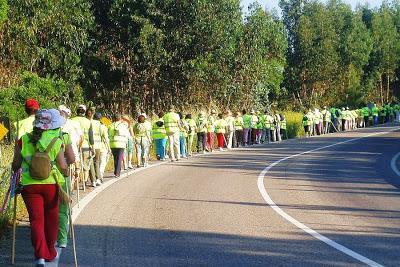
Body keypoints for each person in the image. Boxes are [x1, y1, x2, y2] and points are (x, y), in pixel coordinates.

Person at [12, 109, 70, 267]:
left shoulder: (23, 139)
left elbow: (15, 165)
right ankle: (50, 252)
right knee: (52, 220)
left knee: (36, 220)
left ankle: (40, 256)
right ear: (51, 125)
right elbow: (63, 167)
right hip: (51, 185)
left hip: (29, 187)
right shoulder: (56, 141)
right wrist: (66, 172)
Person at [72, 105, 95, 186]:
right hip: (85, 146)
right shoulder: (88, 122)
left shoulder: (72, 120)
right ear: (84, 112)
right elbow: (91, 136)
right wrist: (92, 146)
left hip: (74, 146)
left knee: (75, 164)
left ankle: (75, 181)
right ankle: (84, 181)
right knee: (86, 165)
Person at [94, 112, 111, 181]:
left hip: (93, 146)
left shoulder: (91, 125)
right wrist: (109, 148)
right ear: (101, 118)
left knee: (95, 162)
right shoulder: (103, 126)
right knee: (102, 161)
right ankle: (100, 175)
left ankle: (95, 177)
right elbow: (106, 138)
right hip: (102, 146)